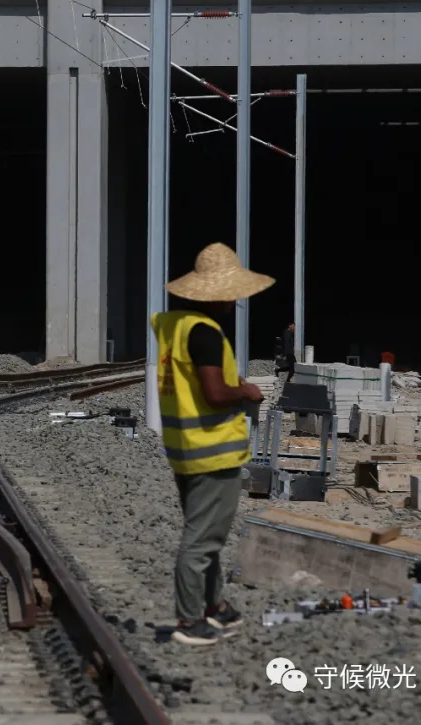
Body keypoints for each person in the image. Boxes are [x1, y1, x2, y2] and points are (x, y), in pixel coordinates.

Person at [150, 242, 273, 646]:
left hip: (186, 448)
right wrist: (247, 391)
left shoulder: (175, 325)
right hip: (213, 451)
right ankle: (189, 621)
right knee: (201, 539)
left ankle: (214, 606)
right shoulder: (204, 333)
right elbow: (215, 394)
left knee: (209, 534)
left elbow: (198, 384)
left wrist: (231, 385)